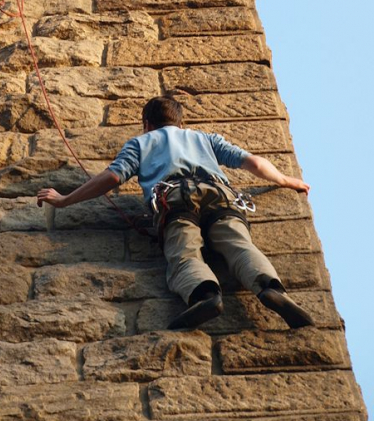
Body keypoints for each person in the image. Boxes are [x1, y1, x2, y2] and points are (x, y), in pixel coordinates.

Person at [37, 95, 314, 330]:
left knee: (184, 253)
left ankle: (205, 295)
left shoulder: (141, 143)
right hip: (221, 196)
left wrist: (65, 199)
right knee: (239, 245)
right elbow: (252, 162)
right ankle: (270, 288)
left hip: (175, 200)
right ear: (180, 122)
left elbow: (112, 177)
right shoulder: (203, 138)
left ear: (147, 124)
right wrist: (287, 181)